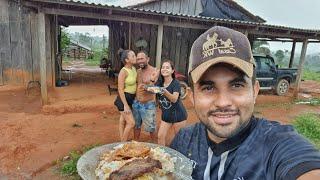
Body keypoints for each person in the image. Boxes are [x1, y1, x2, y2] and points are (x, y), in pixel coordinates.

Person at [170, 26, 320, 180]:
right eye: (208, 87)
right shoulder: (183, 140)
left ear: (255, 91)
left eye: (236, 86)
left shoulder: (276, 145)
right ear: (192, 97)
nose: (223, 103)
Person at [155, 60, 187, 146]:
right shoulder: (159, 83)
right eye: (163, 67)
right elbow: (153, 91)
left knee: (179, 139)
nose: (164, 69)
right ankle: (161, 155)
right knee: (160, 136)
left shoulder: (176, 83)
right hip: (166, 115)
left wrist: (164, 91)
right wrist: (146, 88)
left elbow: (174, 99)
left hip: (178, 115)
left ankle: (180, 157)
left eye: (167, 67)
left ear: (172, 71)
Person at [132, 51, 159, 142]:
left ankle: (156, 147)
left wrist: (147, 88)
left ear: (147, 59)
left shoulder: (155, 71)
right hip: (136, 103)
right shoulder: (137, 71)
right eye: (138, 59)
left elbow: (158, 90)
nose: (140, 61)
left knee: (151, 128)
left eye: (142, 58)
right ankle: (135, 144)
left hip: (148, 104)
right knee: (136, 126)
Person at [114, 49, 137, 141]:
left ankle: (121, 140)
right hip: (123, 99)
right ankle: (123, 144)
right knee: (131, 123)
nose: (135, 57)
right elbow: (120, 89)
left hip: (130, 98)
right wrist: (125, 105)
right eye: (133, 56)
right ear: (127, 60)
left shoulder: (133, 69)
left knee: (122, 121)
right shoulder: (123, 72)